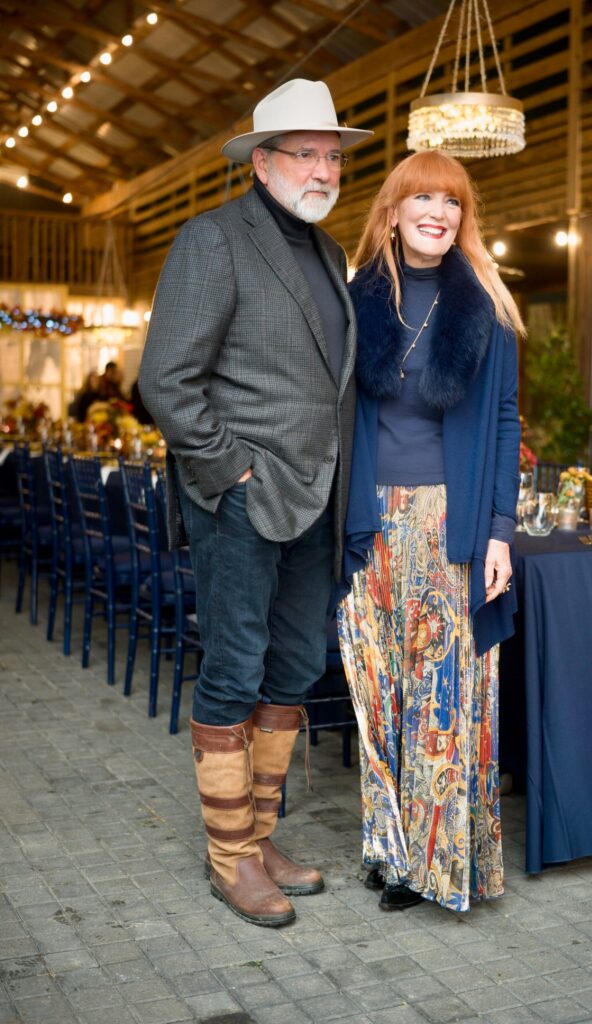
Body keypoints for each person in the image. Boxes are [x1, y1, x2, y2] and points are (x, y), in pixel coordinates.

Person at [138, 79, 372, 928]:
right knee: (234, 668)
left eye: (333, 156)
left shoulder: (329, 252)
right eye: (305, 154)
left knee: (296, 665)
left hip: (318, 495)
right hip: (242, 497)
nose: (323, 170)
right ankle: (229, 857)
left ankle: (259, 836)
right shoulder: (213, 238)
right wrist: (230, 470)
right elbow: (166, 378)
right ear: (262, 162)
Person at [336, 150, 523, 914]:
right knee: (374, 689)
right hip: (364, 520)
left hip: (450, 522)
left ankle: (433, 865)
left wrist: (501, 532)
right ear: (393, 211)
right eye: (423, 198)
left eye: (451, 201)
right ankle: (388, 849)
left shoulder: (486, 306)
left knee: (438, 695)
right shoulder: (352, 302)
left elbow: (506, 421)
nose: (438, 212)